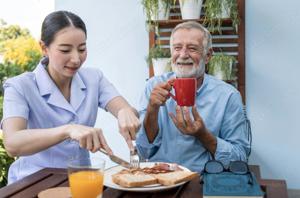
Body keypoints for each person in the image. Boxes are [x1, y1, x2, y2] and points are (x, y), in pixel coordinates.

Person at [1, 10, 140, 184]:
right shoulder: (19, 86)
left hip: (81, 182)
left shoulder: (93, 78)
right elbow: (13, 143)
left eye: (82, 49)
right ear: (44, 48)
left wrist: (125, 111)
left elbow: (122, 107)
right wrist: (68, 130)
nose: (76, 59)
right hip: (32, 183)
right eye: (65, 50)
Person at [136, 21, 250, 173]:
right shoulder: (153, 87)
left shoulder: (228, 96)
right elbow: (144, 151)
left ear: (208, 55)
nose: (183, 55)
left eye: (192, 48)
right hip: (161, 178)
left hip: (204, 180)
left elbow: (239, 158)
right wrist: (152, 109)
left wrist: (203, 135)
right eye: (177, 48)